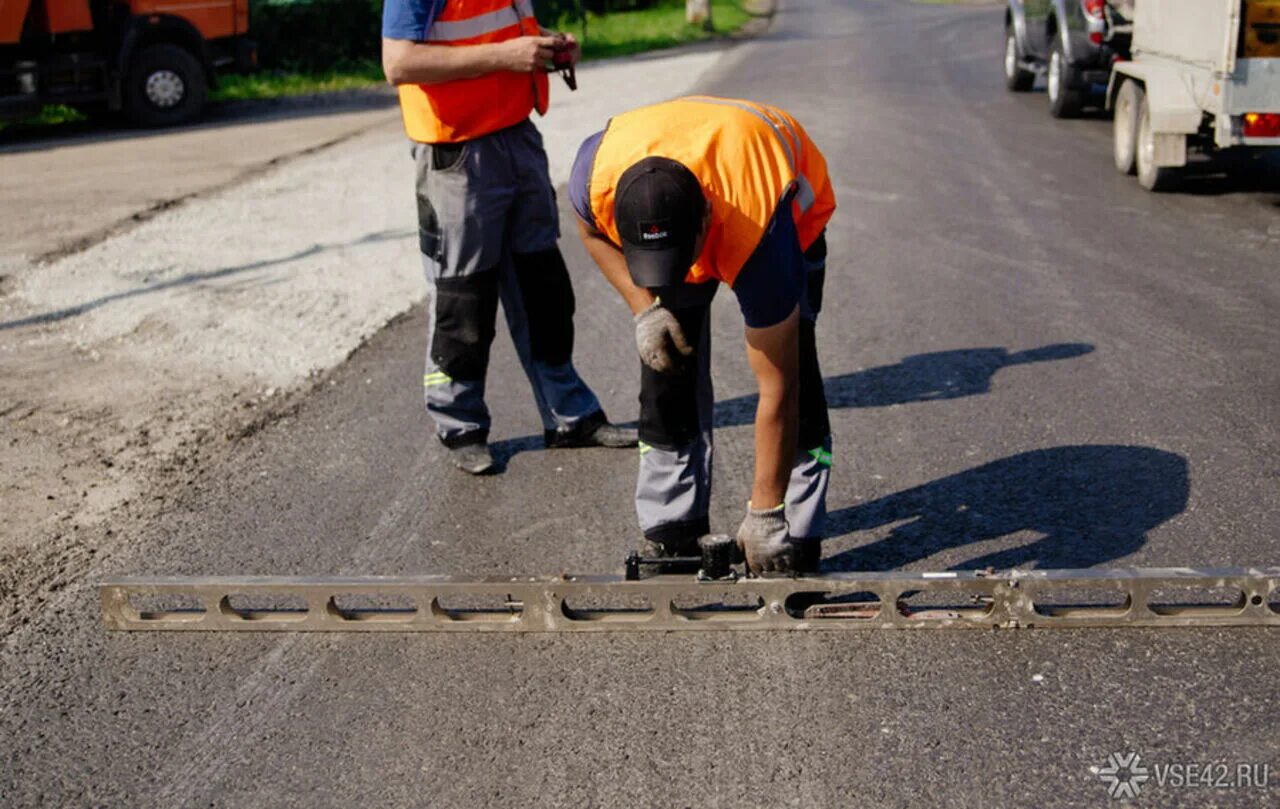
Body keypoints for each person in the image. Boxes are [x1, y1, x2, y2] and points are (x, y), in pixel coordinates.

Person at [570, 96, 836, 574]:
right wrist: (644, 309)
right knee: (666, 365)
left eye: (682, 260)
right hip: (685, 183)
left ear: (707, 221)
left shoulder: (761, 232)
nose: (674, 276)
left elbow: (779, 389)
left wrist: (764, 511)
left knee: (795, 368)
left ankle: (790, 529)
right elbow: (588, 232)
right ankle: (673, 524)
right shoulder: (596, 180)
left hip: (782, 211)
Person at [381, 0, 636, 475]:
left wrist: (546, 47)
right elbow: (398, 64)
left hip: (516, 137)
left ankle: (570, 416)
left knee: (544, 288)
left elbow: (494, 34)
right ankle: (460, 425)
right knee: (464, 299)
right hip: (455, 151)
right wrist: (507, 55)